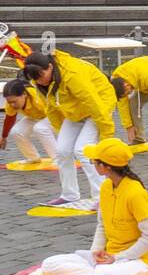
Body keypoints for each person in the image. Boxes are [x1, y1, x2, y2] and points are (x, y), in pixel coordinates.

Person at [41, 138, 148, 275]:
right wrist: (96, 252)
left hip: (137, 260)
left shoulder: (135, 193)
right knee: (49, 264)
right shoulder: (106, 187)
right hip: (109, 257)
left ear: (106, 167)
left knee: (105, 274)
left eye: (94, 161)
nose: (92, 164)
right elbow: (102, 225)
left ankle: (97, 272)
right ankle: (95, 270)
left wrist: (118, 258)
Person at [21, 51, 116, 210]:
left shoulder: (73, 75)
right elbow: (50, 107)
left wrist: (106, 135)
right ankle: (69, 194)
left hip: (100, 103)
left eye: (42, 75)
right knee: (62, 150)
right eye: (36, 79)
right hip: (75, 110)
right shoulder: (39, 81)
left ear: (50, 67)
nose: (40, 81)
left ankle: (102, 196)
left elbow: (93, 103)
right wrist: (61, 130)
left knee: (83, 150)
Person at [1, 79, 57, 164]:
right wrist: (4, 137)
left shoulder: (37, 97)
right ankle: (33, 158)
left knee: (40, 128)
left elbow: (56, 110)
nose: (12, 105)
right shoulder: (11, 104)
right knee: (17, 131)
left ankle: (58, 159)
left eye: (15, 101)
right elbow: (10, 118)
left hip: (54, 115)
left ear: (24, 94)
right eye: (10, 102)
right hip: (36, 116)